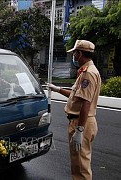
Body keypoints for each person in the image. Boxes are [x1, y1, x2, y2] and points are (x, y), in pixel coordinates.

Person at [47, 40, 101, 180]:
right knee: (77, 164)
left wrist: (80, 130)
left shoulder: (88, 73)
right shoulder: (85, 71)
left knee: (82, 167)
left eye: (75, 53)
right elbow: (75, 95)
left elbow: (86, 103)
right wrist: (57, 89)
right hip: (78, 122)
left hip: (81, 122)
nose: (74, 56)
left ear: (80, 53)